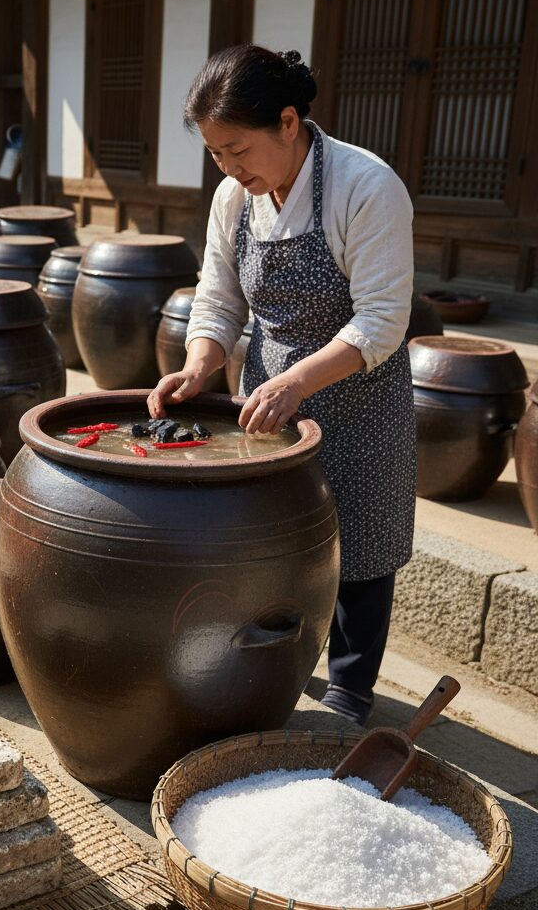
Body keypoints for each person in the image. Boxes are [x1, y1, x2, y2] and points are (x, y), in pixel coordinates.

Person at [148, 45, 416, 726]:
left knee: (359, 543)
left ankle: (352, 693)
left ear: (289, 122)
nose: (230, 169)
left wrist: (301, 379)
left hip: (358, 394)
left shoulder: (366, 185)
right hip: (271, 397)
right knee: (270, 540)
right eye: (216, 155)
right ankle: (279, 668)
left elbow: (383, 318)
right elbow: (218, 299)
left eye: (238, 149)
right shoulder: (234, 200)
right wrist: (199, 363)